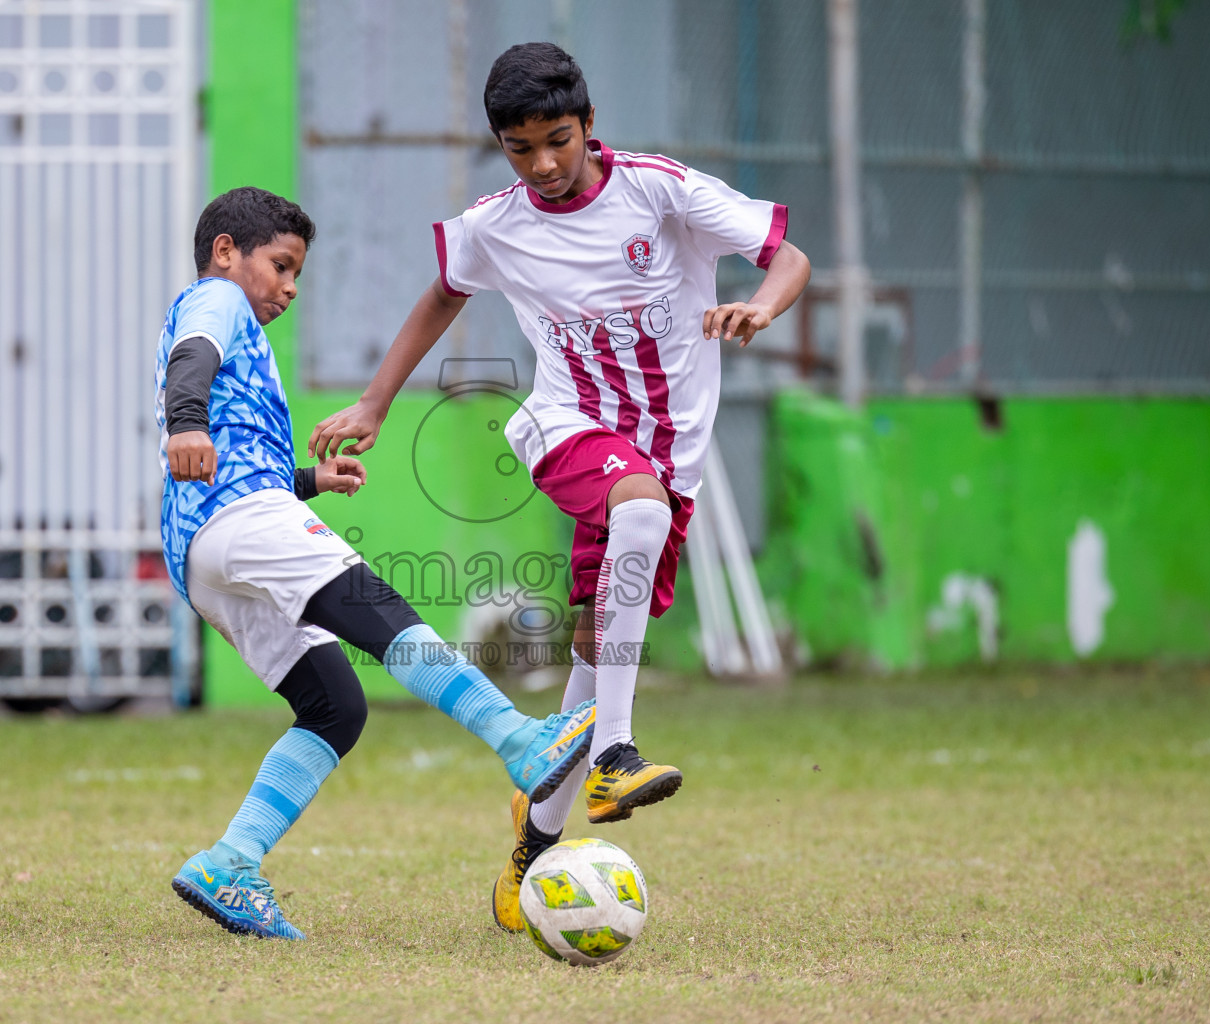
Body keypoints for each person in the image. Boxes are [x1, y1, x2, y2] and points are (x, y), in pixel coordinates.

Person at [309, 43, 812, 932]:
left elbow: (789, 258)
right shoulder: (496, 223)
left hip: (671, 452)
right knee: (639, 507)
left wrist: (763, 306)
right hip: (566, 427)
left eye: (557, 139)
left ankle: (533, 845)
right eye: (519, 146)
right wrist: (376, 403)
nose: (541, 163)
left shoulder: (660, 191)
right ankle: (616, 752)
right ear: (500, 145)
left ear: (588, 125)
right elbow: (442, 295)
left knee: (595, 652)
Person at [157, 186, 597, 940]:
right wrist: (183, 421)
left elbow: (236, 448)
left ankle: (230, 862)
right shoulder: (215, 299)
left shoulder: (236, 323)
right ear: (228, 251)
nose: (290, 287)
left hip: (202, 549)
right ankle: (520, 742)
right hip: (236, 518)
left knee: (334, 704)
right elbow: (190, 359)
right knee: (373, 606)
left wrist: (309, 482)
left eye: (299, 273)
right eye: (282, 265)